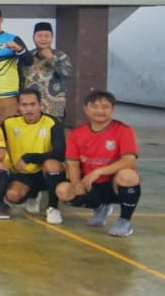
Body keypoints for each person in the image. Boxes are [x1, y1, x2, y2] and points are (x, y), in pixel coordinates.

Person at [55, 89, 141, 238]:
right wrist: (76, 183)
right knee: (63, 190)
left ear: (112, 109)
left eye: (105, 107)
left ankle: (125, 220)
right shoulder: (76, 134)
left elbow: (129, 160)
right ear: (86, 109)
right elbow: (73, 164)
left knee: (128, 176)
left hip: (114, 184)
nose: (100, 111)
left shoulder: (124, 130)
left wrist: (99, 171)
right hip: (91, 184)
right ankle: (100, 207)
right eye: (94, 106)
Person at [3, 88, 66, 224]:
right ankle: (32, 195)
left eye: (33, 104)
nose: (29, 109)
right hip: (23, 174)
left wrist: (29, 157)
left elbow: (60, 153)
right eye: (24, 105)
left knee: (52, 164)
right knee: (12, 195)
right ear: (18, 107)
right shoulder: (9, 123)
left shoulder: (52, 122)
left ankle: (52, 208)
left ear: (40, 105)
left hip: (44, 172)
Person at [20, 22, 72, 119]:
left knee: (53, 128)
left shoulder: (61, 56)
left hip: (53, 107)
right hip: (29, 107)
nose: (43, 39)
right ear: (33, 38)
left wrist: (52, 59)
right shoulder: (27, 56)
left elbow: (67, 74)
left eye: (47, 36)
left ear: (52, 38)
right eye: (39, 36)